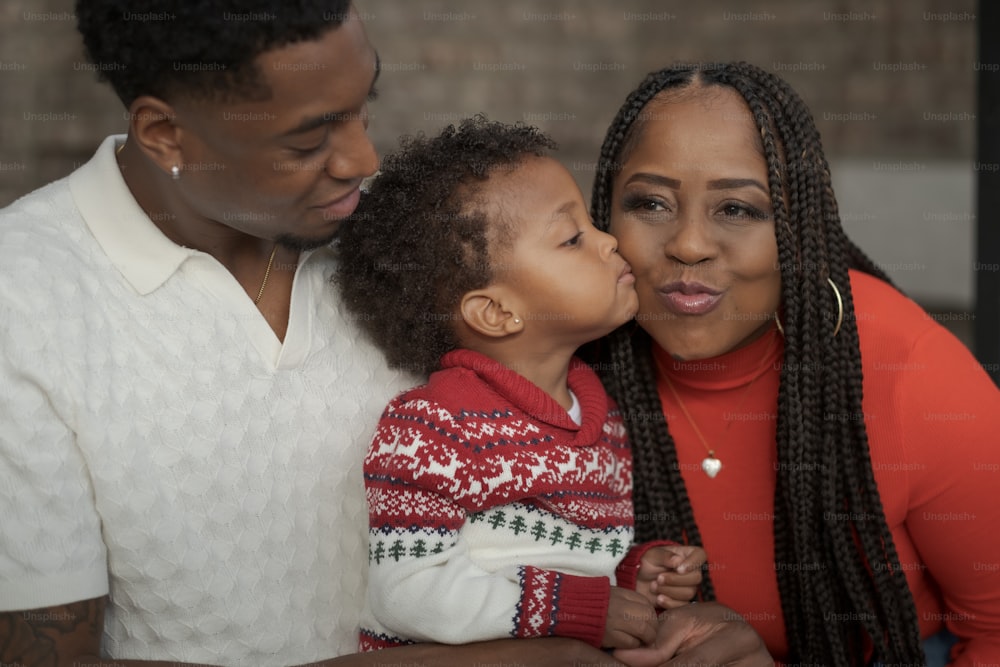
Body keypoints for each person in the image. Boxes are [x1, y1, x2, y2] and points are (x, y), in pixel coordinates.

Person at [0, 3, 774, 665]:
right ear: (165, 133)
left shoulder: (410, 246)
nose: (363, 160)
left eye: (363, 107)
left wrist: (680, 620)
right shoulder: (25, 300)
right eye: (309, 141)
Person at [586, 61, 1000, 667]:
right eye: (650, 202)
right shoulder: (567, 361)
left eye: (738, 209)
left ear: (800, 229)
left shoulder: (913, 372)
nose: (690, 244)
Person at [335, 117, 706, 654]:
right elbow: (408, 592)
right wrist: (575, 610)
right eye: (573, 238)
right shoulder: (431, 428)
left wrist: (634, 577)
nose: (609, 242)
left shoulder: (607, 424)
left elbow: (569, 566)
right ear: (496, 311)